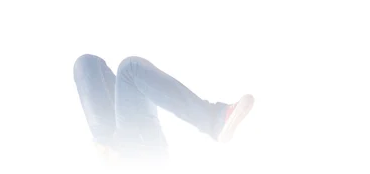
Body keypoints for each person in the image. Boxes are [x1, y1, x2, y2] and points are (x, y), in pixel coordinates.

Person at [73, 54, 255, 171]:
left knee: (86, 63)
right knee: (130, 68)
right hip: (140, 153)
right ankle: (214, 121)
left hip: (114, 147)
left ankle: (106, 146)